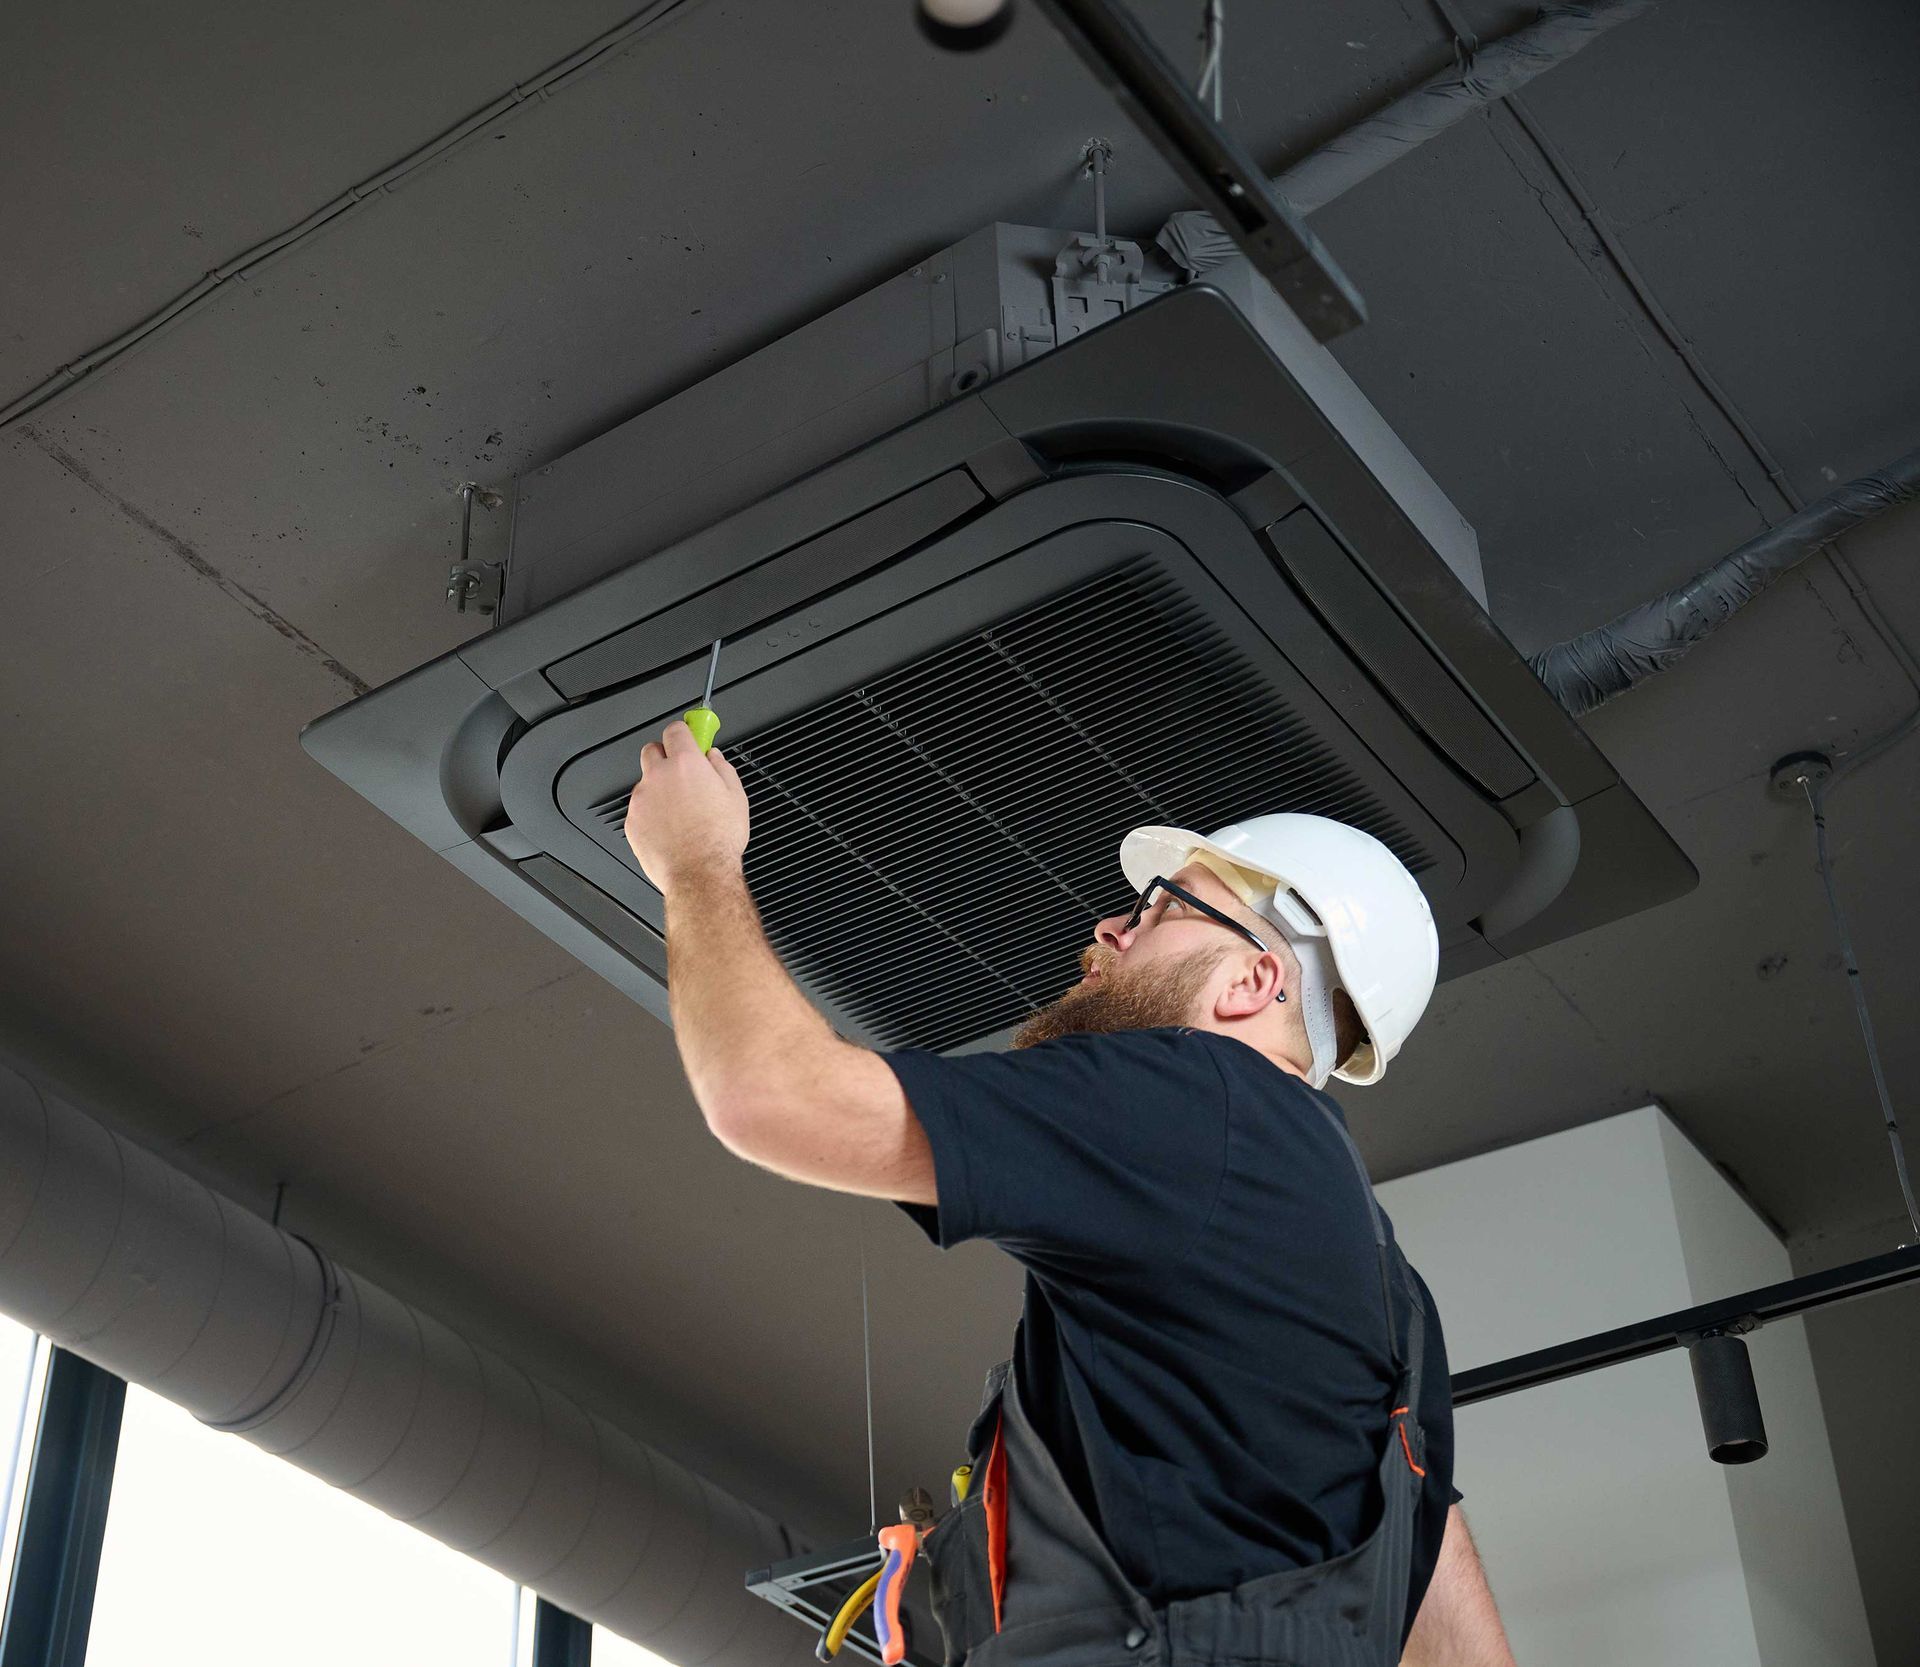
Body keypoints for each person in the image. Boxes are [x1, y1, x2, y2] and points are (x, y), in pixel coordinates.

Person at [624, 718, 1518, 1667]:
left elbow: (770, 1094)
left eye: (1163, 906)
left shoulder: (1199, 1100)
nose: (1108, 927)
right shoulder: (1389, 1298)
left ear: (1255, 980)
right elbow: (1455, 1632)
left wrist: (696, 858)